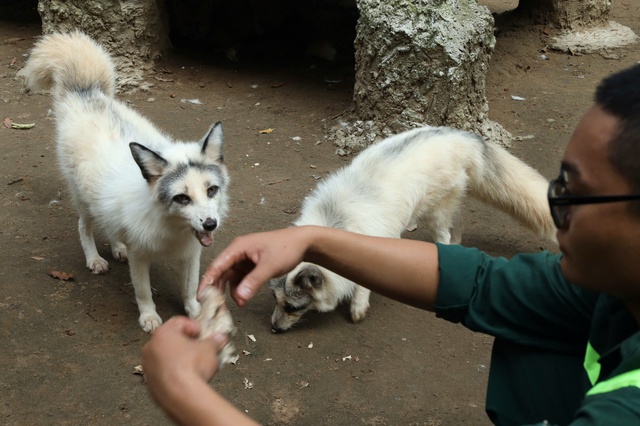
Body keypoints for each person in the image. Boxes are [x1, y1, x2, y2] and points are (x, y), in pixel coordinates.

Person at [142, 64, 640, 425]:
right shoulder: (612, 290)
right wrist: (310, 238)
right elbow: (481, 283)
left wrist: (182, 393)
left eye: (577, 193)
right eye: (559, 188)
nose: (557, 210)